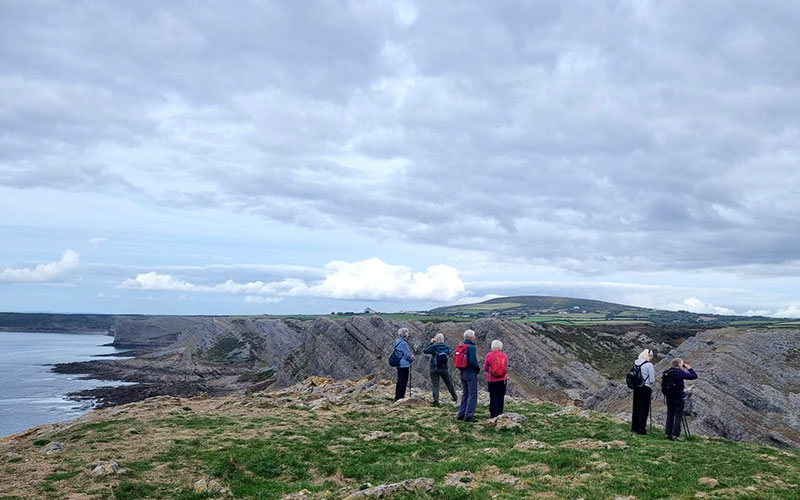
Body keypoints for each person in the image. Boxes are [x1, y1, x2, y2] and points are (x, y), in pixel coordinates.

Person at [663, 357, 697, 441]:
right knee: (678, 416)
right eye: (681, 364)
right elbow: (694, 376)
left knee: (670, 415)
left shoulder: (667, 372)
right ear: (678, 365)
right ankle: (675, 435)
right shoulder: (680, 372)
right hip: (678, 397)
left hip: (669, 397)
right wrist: (689, 368)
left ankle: (668, 434)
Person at [423, 333, 458, 406]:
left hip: (434, 368)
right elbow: (449, 353)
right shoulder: (446, 346)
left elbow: (425, 350)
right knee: (449, 383)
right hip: (444, 368)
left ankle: (436, 401)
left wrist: (431, 343)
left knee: (435, 385)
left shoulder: (434, 347)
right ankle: (455, 397)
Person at [456, 329, 480, 422]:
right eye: (474, 336)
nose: (474, 338)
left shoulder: (461, 346)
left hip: (462, 372)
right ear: (471, 337)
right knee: (472, 393)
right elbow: (472, 361)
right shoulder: (471, 347)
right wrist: (477, 369)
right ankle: (469, 415)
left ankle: (461, 413)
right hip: (470, 372)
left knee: (465, 393)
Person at [630, 348, 655, 434]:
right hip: (645, 388)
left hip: (637, 388)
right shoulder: (649, 365)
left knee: (636, 407)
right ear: (647, 356)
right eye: (650, 355)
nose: (651, 357)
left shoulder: (635, 363)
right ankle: (641, 429)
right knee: (644, 409)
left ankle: (634, 428)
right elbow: (652, 380)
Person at [484, 339, 509, 418]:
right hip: (503, 379)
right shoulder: (504, 355)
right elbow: (507, 366)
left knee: (493, 396)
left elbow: (486, 368)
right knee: (501, 396)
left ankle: (493, 413)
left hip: (492, 380)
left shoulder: (489, 355)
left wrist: (491, 371)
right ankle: (500, 412)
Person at [393, 327, 415, 400]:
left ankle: (397, 396)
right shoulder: (403, 343)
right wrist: (412, 358)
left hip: (399, 364)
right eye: (408, 333)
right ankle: (400, 397)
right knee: (403, 381)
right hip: (404, 365)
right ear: (405, 334)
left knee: (399, 381)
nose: (408, 334)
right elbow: (407, 355)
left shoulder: (398, 341)